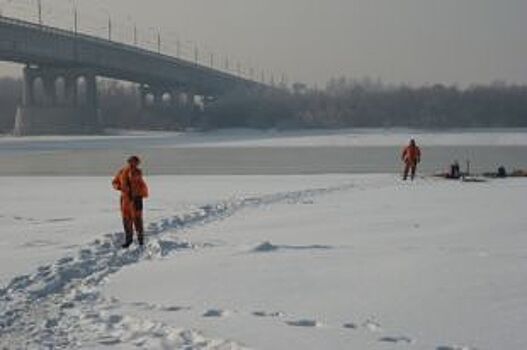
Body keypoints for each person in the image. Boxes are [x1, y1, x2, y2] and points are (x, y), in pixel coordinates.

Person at [112, 155, 149, 248]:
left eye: (136, 162)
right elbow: (115, 182)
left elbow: (141, 184)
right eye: (132, 161)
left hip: (136, 199)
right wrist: (119, 187)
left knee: (138, 220)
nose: (134, 163)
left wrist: (142, 193)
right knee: (126, 220)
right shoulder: (121, 172)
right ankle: (128, 240)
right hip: (125, 199)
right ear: (129, 162)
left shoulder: (138, 172)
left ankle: (140, 240)